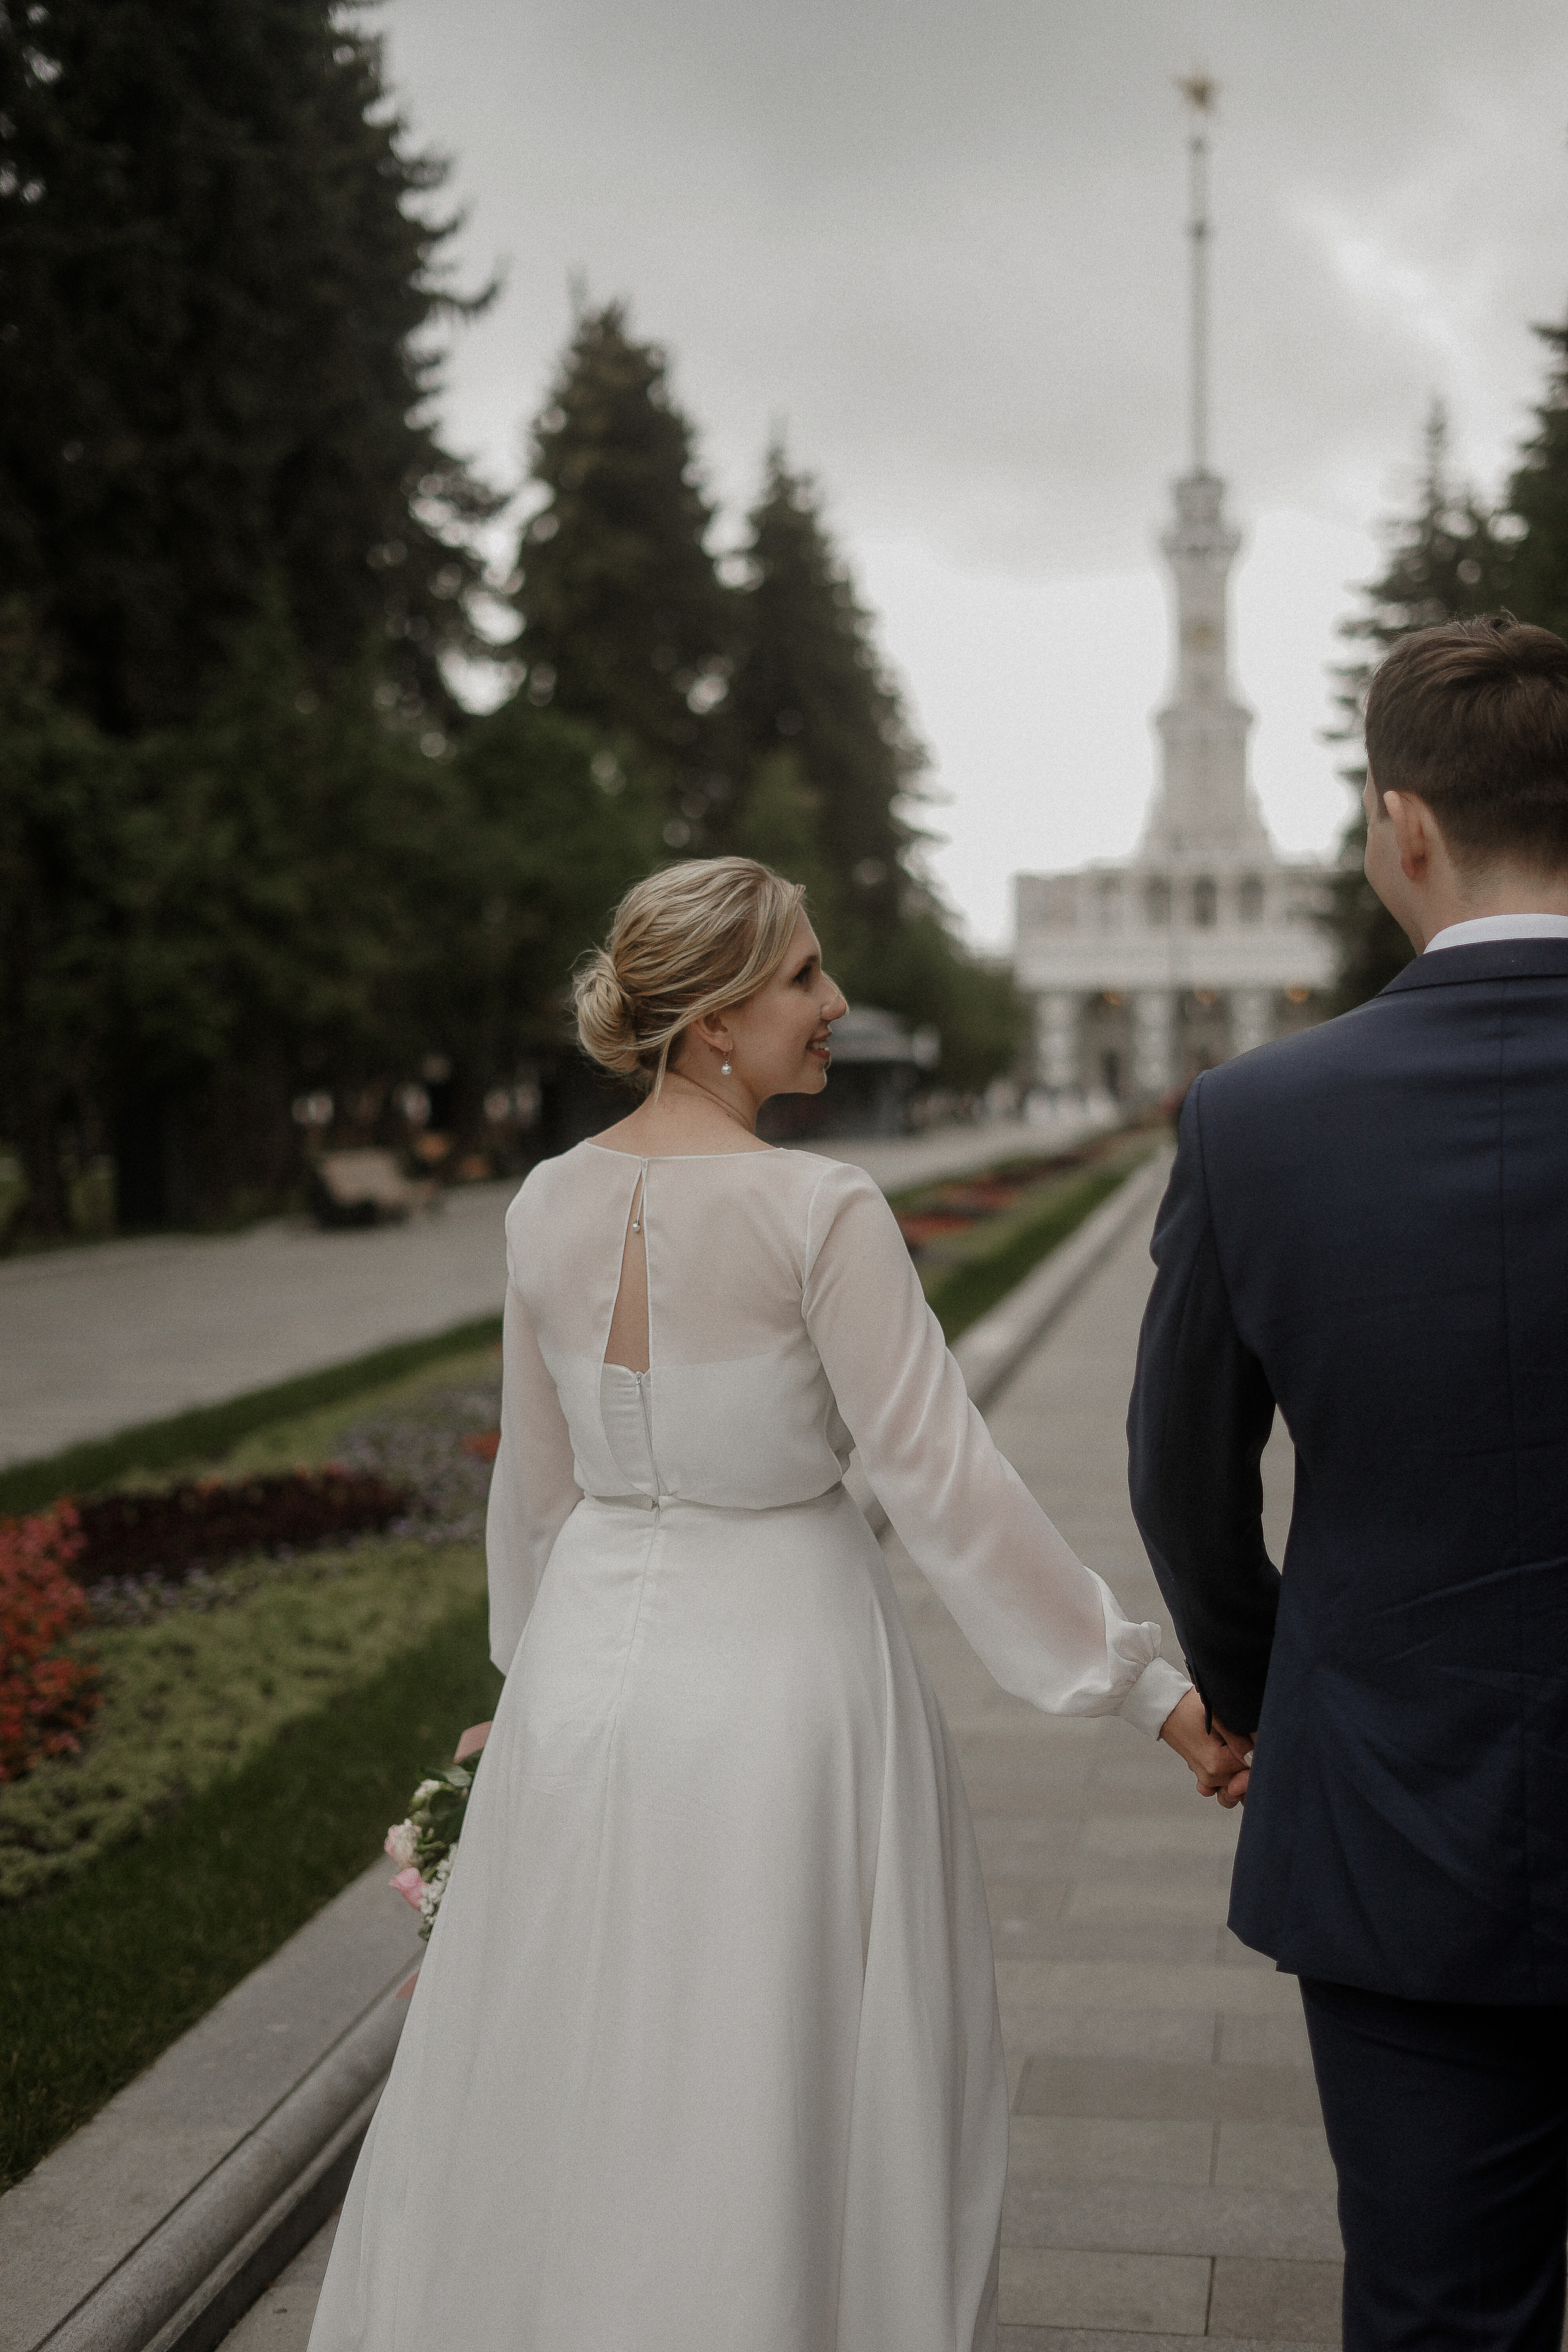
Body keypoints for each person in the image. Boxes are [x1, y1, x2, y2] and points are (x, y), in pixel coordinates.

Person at [309, 856, 1231, 2352]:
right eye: (805, 975)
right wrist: (1150, 1694)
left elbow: (537, 1493)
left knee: (576, 2072)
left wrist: (525, 1696)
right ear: (716, 1016)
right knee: (772, 2073)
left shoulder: (544, 1203)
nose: (836, 1002)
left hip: (588, 1686)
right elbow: (946, 1485)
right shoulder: (818, 1208)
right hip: (781, 1689)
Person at [1126, 616, 1568, 2352]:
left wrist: (1265, 1695)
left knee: (1440, 2311)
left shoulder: (1258, 1118)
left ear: (1402, 825)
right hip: (1407, 1817)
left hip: (1400, 1822)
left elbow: (1182, 1483)